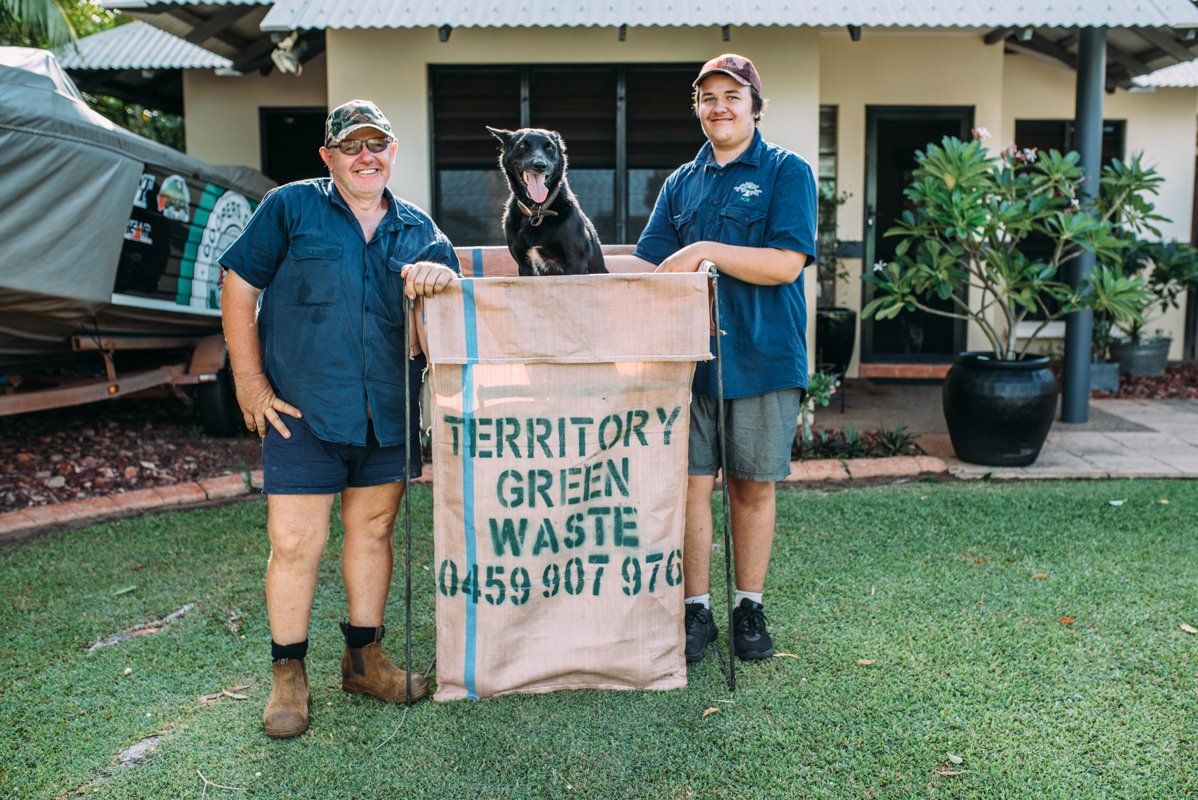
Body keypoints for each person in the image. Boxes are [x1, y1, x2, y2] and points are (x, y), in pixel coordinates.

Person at [219, 100, 459, 738]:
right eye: (352, 146)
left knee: (374, 533)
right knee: (296, 544)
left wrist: (440, 282)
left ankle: (363, 657)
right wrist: (249, 381)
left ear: (393, 151)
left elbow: (450, 326)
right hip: (304, 413)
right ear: (328, 157)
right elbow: (239, 282)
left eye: (377, 143)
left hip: (387, 413)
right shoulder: (291, 208)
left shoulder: (421, 231)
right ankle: (288, 673)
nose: (366, 156)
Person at [612, 55, 817, 663]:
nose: (720, 106)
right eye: (708, 97)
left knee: (752, 488)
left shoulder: (787, 172)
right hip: (689, 365)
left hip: (763, 356)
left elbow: (786, 263)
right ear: (697, 108)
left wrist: (705, 248)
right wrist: (562, 267)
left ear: (755, 104)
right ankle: (696, 609)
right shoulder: (680, 183)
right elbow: (650, 265)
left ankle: (747, 606)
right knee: (690, 489)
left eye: (732, 95)